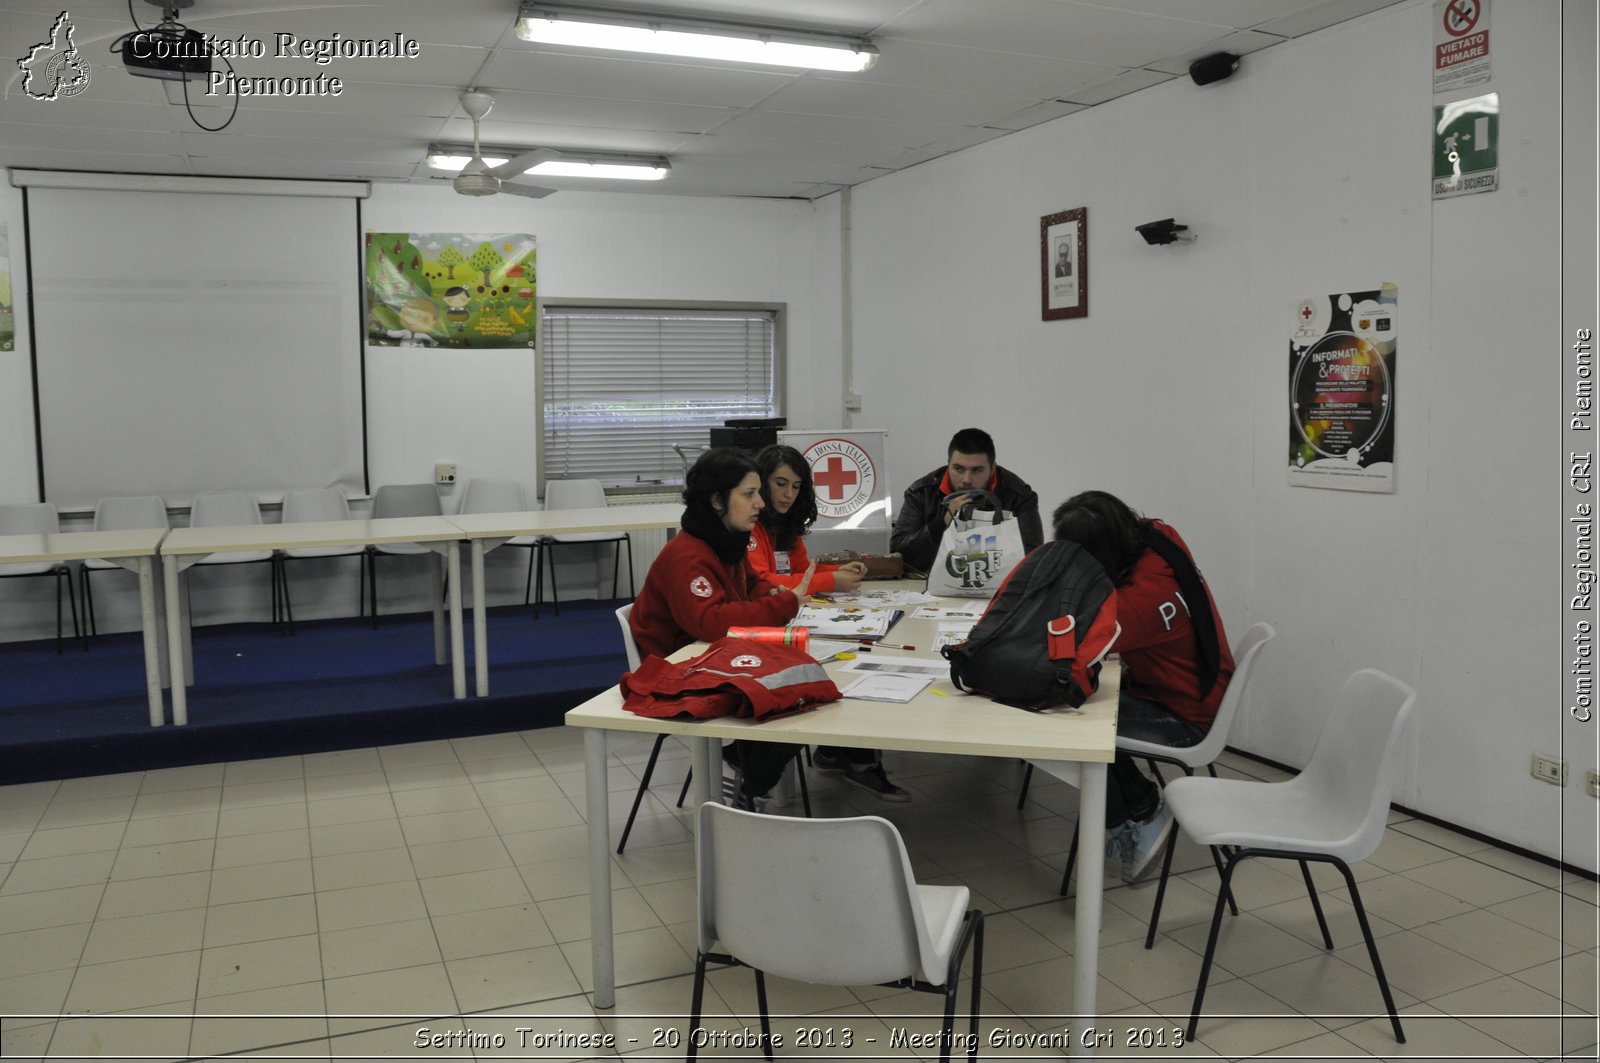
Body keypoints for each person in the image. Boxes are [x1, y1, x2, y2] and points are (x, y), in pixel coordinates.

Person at [1051, 490, 1236, 884]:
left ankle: (1139, 813)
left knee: (1072, 722)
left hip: (1186, 714)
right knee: (1084, 711)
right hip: (1198, 687)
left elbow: (1070, 647)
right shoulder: (1157, 535)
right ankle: (1132, 811)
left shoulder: (1133, 606)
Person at [629, 447, 814, 803]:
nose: (760, 503)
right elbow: (709, 623)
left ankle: (744, 769)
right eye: (749, 494)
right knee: (793, 692)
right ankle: (742, 771)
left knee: (804, 685)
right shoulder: (689, 555)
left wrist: (771, 592)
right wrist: (781, 604)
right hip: (677, 670)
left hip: (712, 656)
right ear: (717, 500)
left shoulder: (724, 539)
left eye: (759, 492)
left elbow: (749, 585)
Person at [746, 444, 909, 801]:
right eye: (780, 484)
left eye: (796, 486)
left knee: (857, 662)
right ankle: (845, 758)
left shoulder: (786, 525)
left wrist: (838, 571)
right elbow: (765, 584)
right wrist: (828, 582)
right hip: (763, 634)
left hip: (793, 623)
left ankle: (844, 753)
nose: (789, 494)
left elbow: (802, 573)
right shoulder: (750, 525)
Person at [890, 427, 1043, 574]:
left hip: (998, 587)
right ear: (948, 464)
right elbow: (900, 557)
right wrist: (940, 525)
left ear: (992, 469)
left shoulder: (1018, 495)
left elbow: (1034, 559)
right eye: (958, 469)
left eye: (977, 470)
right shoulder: (922, 492)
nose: (966, 479)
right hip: (932, 587)